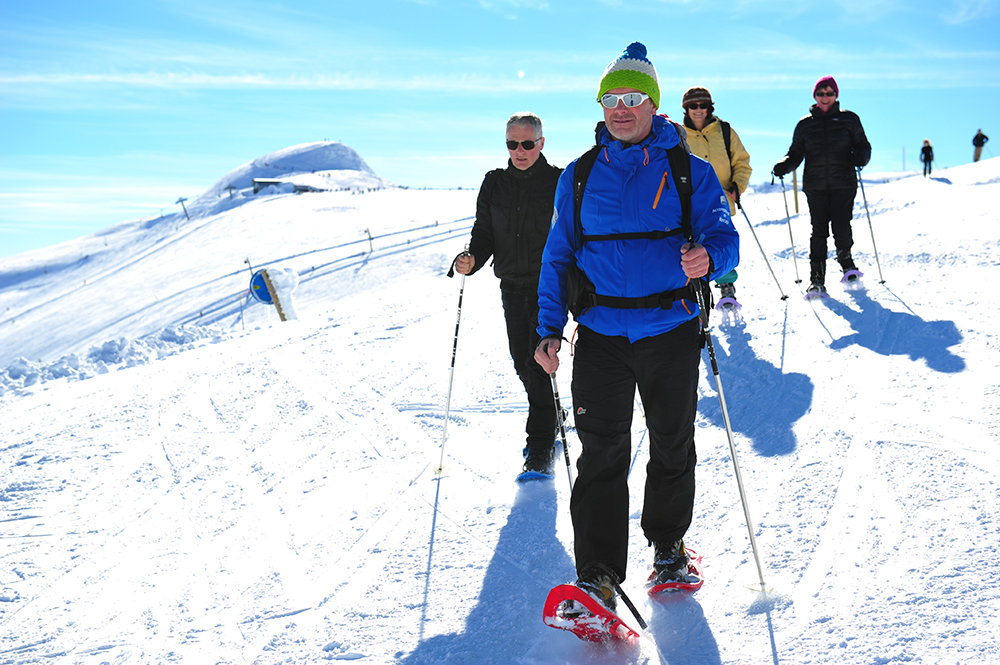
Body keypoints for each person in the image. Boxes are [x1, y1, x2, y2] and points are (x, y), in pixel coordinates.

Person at [533, 42, 739, 610]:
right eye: (610, 99)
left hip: (670, 328)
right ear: (601, 106)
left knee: (672, 441)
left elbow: (724, 237)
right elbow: (557, 257)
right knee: (601, 451)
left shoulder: (688, 170)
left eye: (632, 97)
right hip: (599, 335)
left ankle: (669, 546)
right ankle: (597, 574)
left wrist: (710, 260)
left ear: (652, 103)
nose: (620, 109)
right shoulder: (577, 175)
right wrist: (548, 329)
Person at [452, 112, 563, 476]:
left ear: (541, 143)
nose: (520, 150)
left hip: (550, 286)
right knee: (522, 360)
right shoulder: (494, 183)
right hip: (512, 285)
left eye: (527, 144)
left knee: (538, 359)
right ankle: (551, 413)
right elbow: (483, 232)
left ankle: (541, 443)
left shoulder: (558, 181)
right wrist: (472, 257)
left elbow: (572, 235)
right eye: (512, 144)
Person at [772, 75, 871, 295]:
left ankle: (847, 264)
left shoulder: (850, 120)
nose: (825, 97)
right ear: (814, 96)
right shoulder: (805, 124)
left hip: (843, 183)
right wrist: (784, 166)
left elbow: (863, 145)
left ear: (836, 95)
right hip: (815, 185)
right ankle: (817, 278)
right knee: (819, 231)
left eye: (829, 93)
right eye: (820, 93)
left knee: (842, 225)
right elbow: (795, 153)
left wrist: (861, 157)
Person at [680, 86, 751, 305]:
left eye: (703, 105)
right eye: (693, 106)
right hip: (692, 202)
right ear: (686, 109)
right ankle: (694, 290)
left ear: (710, 107)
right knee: (693, 246)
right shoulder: (679, 135)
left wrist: (738, 186)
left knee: (720, 240)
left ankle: (727, 286)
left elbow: (742, 162)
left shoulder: (725, 131)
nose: (698, 110)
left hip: (722, 199)